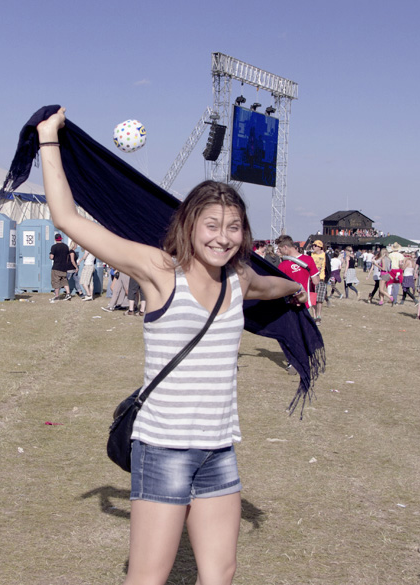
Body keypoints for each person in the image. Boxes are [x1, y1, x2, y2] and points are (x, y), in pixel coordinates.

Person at [37, 107, 308, 585]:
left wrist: (296, 290)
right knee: (148, 577)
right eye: (212, 225)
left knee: (220, 573)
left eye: (233, 227)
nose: (222, 238)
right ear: (189, 225)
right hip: (163, 448)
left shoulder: (240, 278)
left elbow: (272, 287)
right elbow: (68, 219)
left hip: (218, 448)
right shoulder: (160, 271)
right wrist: (48, 139)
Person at [275, 235, 317, 313]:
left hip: (290, 304)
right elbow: (316, 281)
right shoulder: (309, 259)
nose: (280, 252)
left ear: (285, 247)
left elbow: (280, 286)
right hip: (305, 303)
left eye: (280, 249)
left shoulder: (282, 265)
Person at [49, 233, 72, 301]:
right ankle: (68, 294)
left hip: (56, 267)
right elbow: (68, 256)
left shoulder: (54, 247)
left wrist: (50, 256)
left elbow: (51, 257)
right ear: (61, 238)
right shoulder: (66, 246)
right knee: (64, 281)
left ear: (55, 239)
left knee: (56, 282)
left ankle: (56, 296)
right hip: (64, 267)